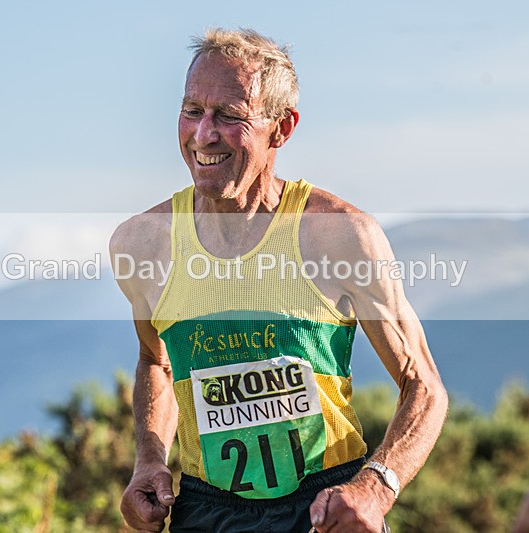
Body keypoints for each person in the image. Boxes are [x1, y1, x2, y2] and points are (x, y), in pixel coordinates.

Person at [110, 28, 448, 533]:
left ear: (281, 128)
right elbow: (154, 359)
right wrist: (149, 459)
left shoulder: (339, 235)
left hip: (325, 507)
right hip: (206, 510)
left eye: (230, 116)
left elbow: (424, 387)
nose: (204, 134)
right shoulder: (142, 244)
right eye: (192, 111)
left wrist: (374, 489)